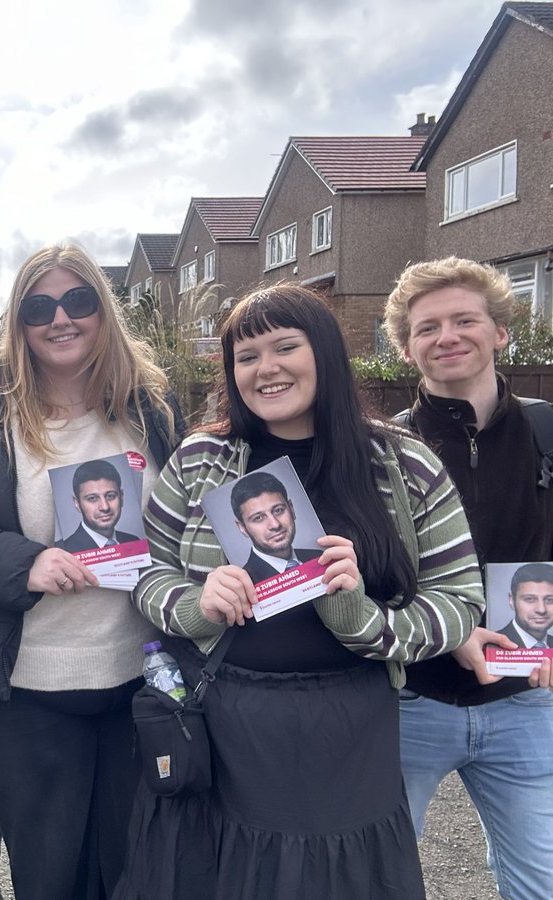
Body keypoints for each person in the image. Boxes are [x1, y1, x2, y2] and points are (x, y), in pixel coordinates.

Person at [119, 283, 483, 900]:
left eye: (285, 346)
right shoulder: (201, 456)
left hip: (349, 727)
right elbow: (144, 573)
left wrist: (367, 621)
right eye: (247, 355)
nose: (266, 368)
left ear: (327, 354)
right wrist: (195, 605)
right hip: (224, 717)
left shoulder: (404, 463)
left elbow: (460, 601)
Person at [0, 243, 182, 900]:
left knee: (136, 871)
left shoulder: (149, 408)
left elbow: (185, 519)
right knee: (51, 876)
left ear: (103, 311)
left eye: (78, 301)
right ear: (17, 322)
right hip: (25, 690)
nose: (61, 319)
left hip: (138, 682)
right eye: (39, 306)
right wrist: (27, 563)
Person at [384, 257, 553, 900]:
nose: (447, 336)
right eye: (428, 328)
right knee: (381, 874)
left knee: (539, 883)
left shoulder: (546, 431)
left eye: (464, 320)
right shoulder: (384, 448)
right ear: (406, 348)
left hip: (525, 702)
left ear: (499, 332)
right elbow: (370, 574)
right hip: (411, 698)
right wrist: (448, 632)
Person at [228, 470, 321, 582]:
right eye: (258, 518)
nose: (275, 524)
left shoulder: (320, 558)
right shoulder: (245, 584)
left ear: (291, 509)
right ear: (242, 528)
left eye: (278, 510)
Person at [55, 458, 141, 551]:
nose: (105, 507)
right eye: (92, 498)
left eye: (110, 496)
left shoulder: (133, 541)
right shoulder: (64, 552)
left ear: (121, 497)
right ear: (77, 503)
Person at [500, 564, 553, 648]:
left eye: (550, 600)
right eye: (530, 599)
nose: (541, 609)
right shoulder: (492, 644)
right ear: (512, 600)